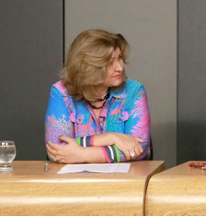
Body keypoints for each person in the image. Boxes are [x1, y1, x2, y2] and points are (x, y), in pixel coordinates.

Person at [45, 29, 151, 163]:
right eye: (110, 62)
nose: (119, 67)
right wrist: (110, 138)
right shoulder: (61, 92)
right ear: (87, 66)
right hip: (75, 177)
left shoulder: (133, 91)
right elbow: (56, 148)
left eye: (120, 58)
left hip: (125, 176)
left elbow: (139, 148)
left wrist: (84, 155)